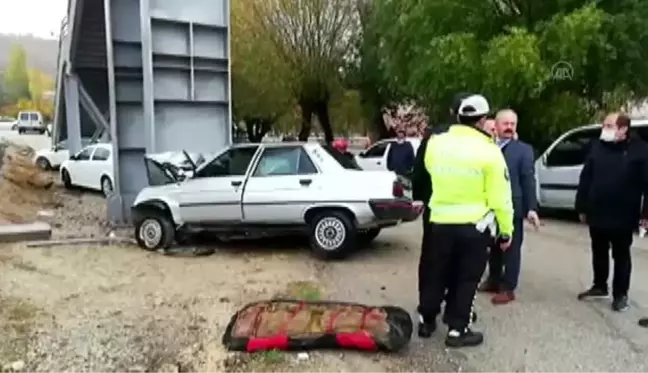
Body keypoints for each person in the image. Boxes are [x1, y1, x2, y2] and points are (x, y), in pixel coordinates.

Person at [418, 94, 514, 348]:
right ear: (482, 121)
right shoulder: (489, 151)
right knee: (466, 278)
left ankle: (426, 316)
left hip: (439, 222)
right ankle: (457, 330)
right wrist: (506, 231)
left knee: (435, 271)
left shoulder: (436, 144)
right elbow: (500, 198)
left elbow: (428, 170)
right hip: (474, 227)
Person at [575, 112, 648, 312]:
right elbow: (586, 177)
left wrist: (645, 215)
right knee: (598, 251)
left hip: (623, 214)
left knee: (621, 255)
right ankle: (600, 285)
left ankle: (620, 294)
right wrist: (581, 206)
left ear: (623, 129)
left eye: (609, 125)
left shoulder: (640, 151)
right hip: (597, 211)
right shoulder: (597, 147)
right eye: (604, 125)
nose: (604, 129)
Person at [413, 92, 471, 331]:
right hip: (467, 213)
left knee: (433, 263)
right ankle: (453, 313)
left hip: (437, 212)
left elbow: (420, 169)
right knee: (460, 265)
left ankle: (428, 315)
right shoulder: (477, 140)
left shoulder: (435, 137)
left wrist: (419, 198)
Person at [478, 109, 540, 304]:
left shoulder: (523, 150)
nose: (509, 127)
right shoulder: (485, 147)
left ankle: (508, 287)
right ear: (495, 126)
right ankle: (494, 280)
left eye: (512, 124)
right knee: (493, 246)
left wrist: (532, 208)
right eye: (505, 123)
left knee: (511, 248)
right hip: (489, 206)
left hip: (513, 205)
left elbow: (528, 179)